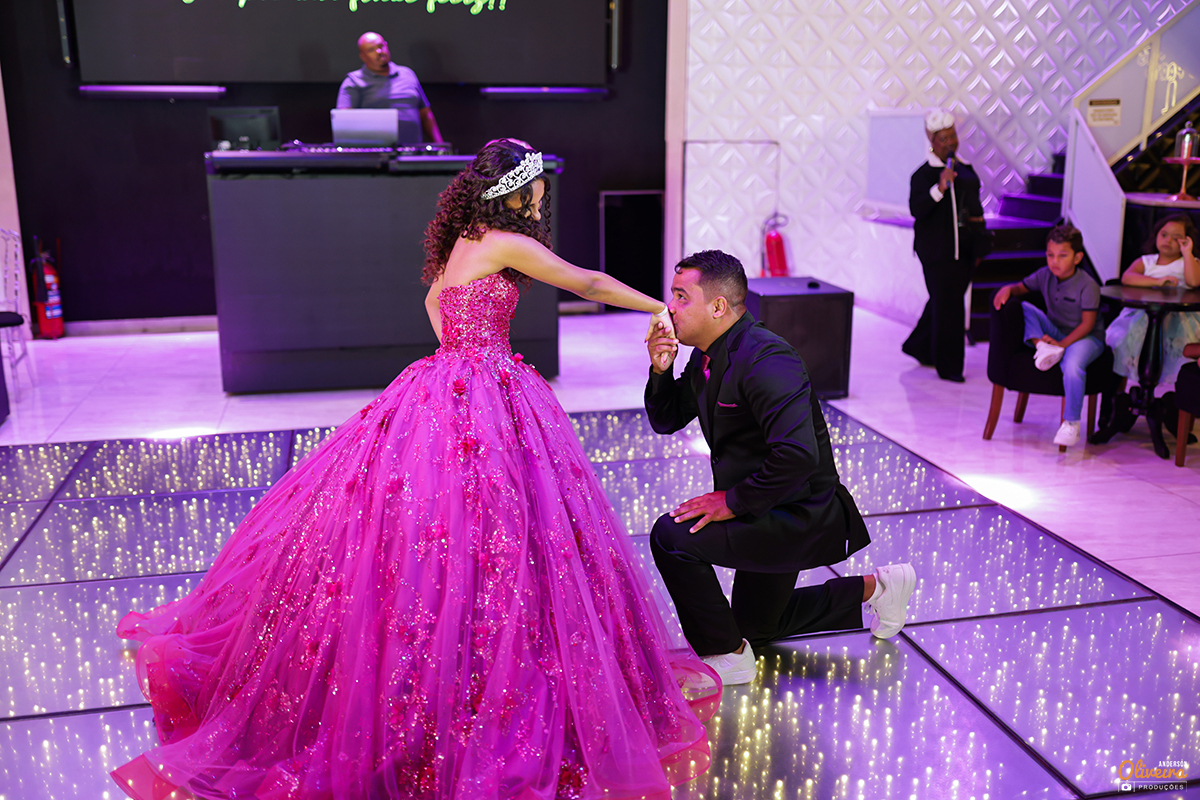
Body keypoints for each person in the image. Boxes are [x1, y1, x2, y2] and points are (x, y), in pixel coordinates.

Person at [110, 139, 719, 800]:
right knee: (506, 525)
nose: (541, 196)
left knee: (442, 525)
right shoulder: (505, 241)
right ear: (517, 190)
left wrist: (459, 353)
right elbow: (587, 283)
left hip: (449, 378)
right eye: (536, 187)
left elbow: (434, 303)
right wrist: (657, 308)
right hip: (486, 383)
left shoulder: (468, 237)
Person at [643, 249, 916, 686]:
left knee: (671, 535)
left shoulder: (767, 358)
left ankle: (727, 658)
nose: (669, 307)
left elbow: (798, 455)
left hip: (795, 511)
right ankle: (878, 588)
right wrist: (661, 371)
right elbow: (667, 419)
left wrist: (731, 502)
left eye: (681, 297)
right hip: (765, 502)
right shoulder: (707, 355)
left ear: (718, 306)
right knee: (755, 628)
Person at [992, 224, 1105, 447]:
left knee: (1072, 366)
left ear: (1077, 258)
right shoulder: (1045, 275)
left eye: (1062, 255)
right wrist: (1008, 289)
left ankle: (1071, 423)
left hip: (1086, 337)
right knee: (1024, 307)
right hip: (1055, 332)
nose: (1055, 261)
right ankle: (1041, 347)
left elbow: (1088, 324)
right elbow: (1020, 288)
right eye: (1050, 255)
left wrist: (1062, 344)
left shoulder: (1088, 285)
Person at [902, 108, 987, 383]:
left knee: (943, 301)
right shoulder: (922, 175)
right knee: (950, 306)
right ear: (931, 140)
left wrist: (980, 243)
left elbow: (975, 210)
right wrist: (939, 189)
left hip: (965, 251)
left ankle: (919, 346)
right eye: (943, 138)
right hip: (936, 253)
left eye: (952, 136)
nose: (950, 142)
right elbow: (917, 209)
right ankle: (949, 366)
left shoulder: (966, 170)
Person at [1105, 213, 1200, 389]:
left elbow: (1194, 281)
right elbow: (1127, 277)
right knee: (1123, 345)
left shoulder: (1188, 262)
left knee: (1177, 354)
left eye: (1176, 238)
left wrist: (1187, 253)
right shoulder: (1147, 261)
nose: (1168, 240)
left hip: (1178, 319)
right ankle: (1122, 393)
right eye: (1164, 235)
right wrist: (1157, 281)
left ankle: (1174, 397)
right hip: (1144, 315)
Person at [336, 32, 444, 144]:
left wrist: (440, 145)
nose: (379, 52)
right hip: (376, 151)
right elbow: (344, 121)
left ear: (386, 46)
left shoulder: (407, 74)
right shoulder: (353, 81)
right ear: (363, 56)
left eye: (380, 46)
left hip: (413, 149)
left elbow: (425, 114)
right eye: (371, 50)